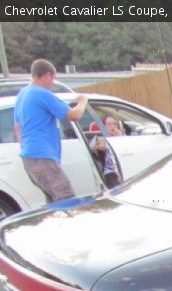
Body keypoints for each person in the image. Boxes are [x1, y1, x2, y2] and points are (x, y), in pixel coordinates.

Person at [13, 59, 88, 202]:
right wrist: (83, 101)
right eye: (53, 78)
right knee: (66, 197)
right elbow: (74, 115)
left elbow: (17, 127)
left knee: (53, 200)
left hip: (28, 158)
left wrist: (27, 146)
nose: (53, 83)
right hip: (43, 156)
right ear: (48, 75)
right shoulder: (41, 94)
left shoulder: (23, 94)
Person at [90, 115, 124, 188]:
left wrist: (120, 139)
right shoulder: (99, 138)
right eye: (109, 124)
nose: (112, 126)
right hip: (109, 170)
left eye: (114, 124)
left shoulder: (121, 137)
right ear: (103, 126)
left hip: (122, 167)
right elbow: (90, 150)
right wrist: (97, 147)